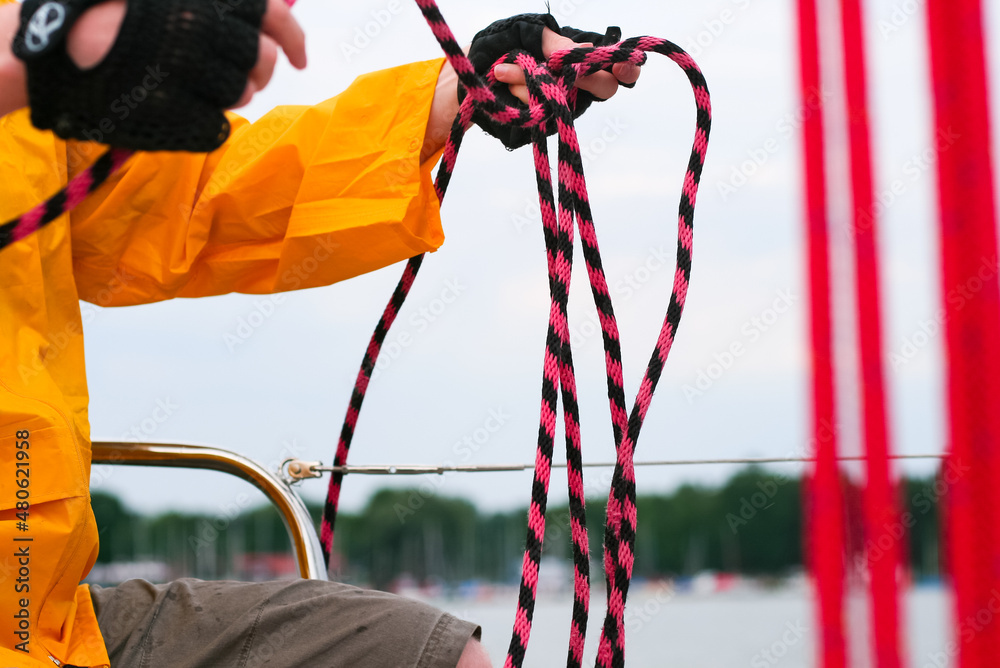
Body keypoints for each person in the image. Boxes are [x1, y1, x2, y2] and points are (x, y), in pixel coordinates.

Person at [0, 1, 641, 666]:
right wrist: (40, 46)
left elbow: (194, 202)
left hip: (41, 621)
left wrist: (456, 97)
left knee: (428, 658)